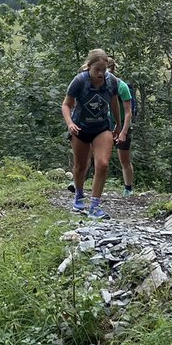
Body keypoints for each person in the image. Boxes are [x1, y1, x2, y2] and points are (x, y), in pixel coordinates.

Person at [62, 48, 120, 219]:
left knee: (102, 163)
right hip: (80, 128)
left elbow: (114, 102)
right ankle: (79, 197)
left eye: (104, 70)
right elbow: (66, 105)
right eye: (97, 70)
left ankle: (94, 207)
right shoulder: (79, 81)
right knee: (80, 167)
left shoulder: (112, 82)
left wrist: (118, 124)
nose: (101, 74)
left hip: (102, 127)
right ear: (89, 67)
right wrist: (70, 124)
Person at [105, 56, 135, 196]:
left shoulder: (121, 86)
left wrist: (123, 132)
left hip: (122, 123)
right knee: (91, 153)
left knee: (124, 159)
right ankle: (78, 182)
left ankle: (128, 188)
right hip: (104, 123)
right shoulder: (98, 84)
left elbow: (128, 112)